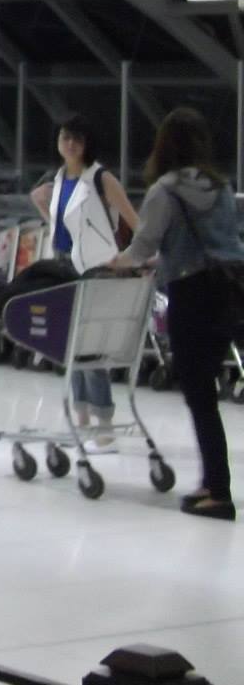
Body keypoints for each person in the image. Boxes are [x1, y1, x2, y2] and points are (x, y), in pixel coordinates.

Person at [109, 106, 244, 520]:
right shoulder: (222, 187)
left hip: (191, 295)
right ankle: (210, 482)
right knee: (208, 391)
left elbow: (143, 246)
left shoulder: (164, 191)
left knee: (200, 394)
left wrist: (117, 262)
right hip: (231, 290)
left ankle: (218, 493)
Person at [28, 113, 137, 434]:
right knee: (71, 343)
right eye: (65, 137)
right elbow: (64, 226)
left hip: (96, 267)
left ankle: (102, 419)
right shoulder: (59, 179)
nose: (71, 144)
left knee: (89, 345)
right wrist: (42, 206)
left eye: (77, 139)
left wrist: (132, 258)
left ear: (88, 144)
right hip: (65, 263)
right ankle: (82, 416)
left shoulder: (101, 179)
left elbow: (134, 221)